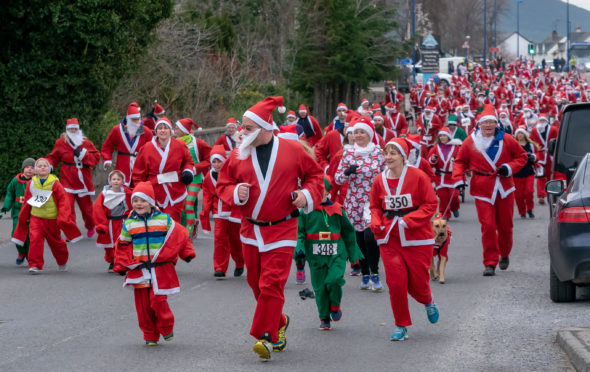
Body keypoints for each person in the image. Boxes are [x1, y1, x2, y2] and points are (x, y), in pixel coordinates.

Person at [216, 96, 324, 360]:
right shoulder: (237, 153)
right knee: (255, 283)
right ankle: (279, 321)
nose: (242, 132)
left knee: (271, 284)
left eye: (248, 128)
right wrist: (235, 192)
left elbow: (315, 176)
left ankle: (266, 337)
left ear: (265, 128)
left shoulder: (292, 150)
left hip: (283, 228)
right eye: (242, 127)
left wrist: (305, 195)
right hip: (250, 229)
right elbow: (223, 183)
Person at [369, 138, 439, 341]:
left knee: (417, 283)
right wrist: (375, 221)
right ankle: (401, 325)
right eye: (386, 153)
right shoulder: (378, 180)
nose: (388, 157)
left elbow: (430, 204)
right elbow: (375, 206)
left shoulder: (418, 176)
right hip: (389, 238)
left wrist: (408, 221)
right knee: (396, 283)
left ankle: (428, 300)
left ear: (403, 156)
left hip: (417, 238)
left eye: (393, 153)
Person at [113, 181, 196, 346]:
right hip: (140, 270)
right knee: (143, 307)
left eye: (143, 200)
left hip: (160, 270)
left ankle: (166, 326)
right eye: (135, 200)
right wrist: (120, 265)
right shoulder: (129, 224)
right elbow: (123, 245)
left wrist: (187, 253)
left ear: (151, 202)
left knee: (157, 301)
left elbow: (180, 235)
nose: (139, 204)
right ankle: (150, 335)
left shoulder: (164, 219)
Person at [452, 105, 528, 276]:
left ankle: (505, 253)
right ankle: (490, 262)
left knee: (506, 226)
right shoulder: (470, 142)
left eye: (491, 123)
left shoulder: (507, 139)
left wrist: (509, 167)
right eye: (484, 123)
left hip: (504, 188)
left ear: (496, 124)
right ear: (479, 124)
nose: (488, 126)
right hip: (482, 188)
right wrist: (458, 179)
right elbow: (459, 161)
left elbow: (522, 157)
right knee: (488, 226)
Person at [296, 177, 363, 330]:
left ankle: (335, 305)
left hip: (336, 253)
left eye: (322, 189)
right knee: (319, 288)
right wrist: (299, 250)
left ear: (328, 191)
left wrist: (353, 254)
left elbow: (348, 232)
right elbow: (299, 232)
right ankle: (324, 318)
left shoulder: (338, 209)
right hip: (316, 256)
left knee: (334, 280)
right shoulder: (305, 211)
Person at [335, 116, 385, 290]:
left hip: (373, 201)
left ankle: (375, 274)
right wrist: (347, 172)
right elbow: (338, 178)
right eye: (355, 132)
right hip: (354, 202)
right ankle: (365, 274)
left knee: (371, 238)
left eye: (362, 131)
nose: (358, 135)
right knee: (360, 241)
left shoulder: (378, 152)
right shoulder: (348, 153)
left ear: (369, 134)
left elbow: (387, 173)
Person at [12, 158, 82, 274]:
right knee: (35, 240)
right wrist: (24, 217)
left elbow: (63, 201)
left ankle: (62, 261)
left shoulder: (55, 184)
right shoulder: (31, 183)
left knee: (56, 243)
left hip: (52, 220)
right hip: (36, 218)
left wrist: (63, 217)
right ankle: (35, 265)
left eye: (45, 166)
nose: (42, 167)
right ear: (35, 170)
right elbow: (27, 202)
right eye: (39, 166)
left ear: (49, 169)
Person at [132, 117, 194, 223]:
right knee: (155, 224)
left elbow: (188, 161)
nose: (163, 130)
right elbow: (138, 173)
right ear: (156, 131)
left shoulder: (180, 145)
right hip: (154, 191)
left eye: (166, 128)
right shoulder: (146, 148)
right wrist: (141, 191)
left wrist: (187, 171)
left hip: (175, 190)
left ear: (170, 131)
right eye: (160, 128)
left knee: (172, 224)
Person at [46, 118, 100, 237]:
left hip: (83, 180)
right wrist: (47, 165)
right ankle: (72, 231)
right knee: (68, 208)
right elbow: (54, 157)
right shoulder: (60, 142)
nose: (73, 130)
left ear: (78, 129)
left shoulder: (86, 143)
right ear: (67, 130)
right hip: (67, 178)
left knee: (87, 210)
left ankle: (90, 225)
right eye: (71, 128)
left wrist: (84, 155)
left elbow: (96, 158)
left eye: (75, 128)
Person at [199, 145, 244, 278]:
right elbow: (206, 195)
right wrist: (205, 212)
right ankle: (219, 268)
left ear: (225, 160)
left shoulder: (232, 172)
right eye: (214, 161)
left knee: (236, 240)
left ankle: (240, 262)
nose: (217, 164)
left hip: (232, 211)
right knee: (219, 239)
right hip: (218, 211)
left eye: (219, 161)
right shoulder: (208, 177)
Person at [174, 118, 211, 237]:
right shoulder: (173, 142)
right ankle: (189, 225)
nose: (174, 130)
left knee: (189, 204)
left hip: (195, 178)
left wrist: (196, 168)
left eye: (177, 128)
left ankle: (188, 235)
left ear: (184, 130)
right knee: (182, 206)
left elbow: (209, 159)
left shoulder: (198, 143)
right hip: (180, 179)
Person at [101, 102, 154, 186]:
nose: (136, 122)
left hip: (140, 168)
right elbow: (107, 146)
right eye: (134, 119)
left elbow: (153, 149)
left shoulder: (146, 131)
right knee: (122, 193)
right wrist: (107, 159)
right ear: (128, 119)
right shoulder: (117, 130)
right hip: (122, 167)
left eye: (138, 119)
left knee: (139, 192)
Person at [92, 170, 132, 272]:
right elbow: (98, 209)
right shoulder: (104, 194)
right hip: (109, 223)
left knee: (121, 243)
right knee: (109, 245)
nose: (116, 181)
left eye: (118, 179)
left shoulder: (127, 193)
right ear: (110, 181)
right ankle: (112, 261)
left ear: (123, 181)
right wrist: (101, 224)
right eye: (113, 179)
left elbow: (133, 203)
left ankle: (121, 262)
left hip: (122, 222)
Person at [2, 158, 35, 265]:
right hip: (18, 213)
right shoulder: (15, 181)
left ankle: (30, 256)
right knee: (16, 234)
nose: (29, 170)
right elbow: (9, 194)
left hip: (32, 213)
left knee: (31, 236)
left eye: (32, 168)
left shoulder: (36, 182)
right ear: (23, 169)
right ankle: (21, 252)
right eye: (27, 167)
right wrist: (6, 206)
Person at [428, 127, 464, 219]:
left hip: (453, 176)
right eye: (440, 136)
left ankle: (455, 207)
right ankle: (446, 214)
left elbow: (462, 160)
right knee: (443, 197)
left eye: (444, 135)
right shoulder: (435, 148)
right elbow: (429, 163)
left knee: (454, 196)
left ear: (448, 137)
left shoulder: (456, 147)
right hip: (440, 176)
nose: (442, 137)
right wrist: (432, 160)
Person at [529, 114, 558, 205]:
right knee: (540, 176)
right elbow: (530, 140)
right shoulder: (534, 130)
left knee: (550, 176)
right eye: (540, 120)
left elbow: (557, 140)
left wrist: (551, 149)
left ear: (546, 121)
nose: (542, 122)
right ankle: (541, 195)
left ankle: (551, 195)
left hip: (550, 156)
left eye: (543, 121)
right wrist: (536, 149)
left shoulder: (553, 129)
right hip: (540, 156)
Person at [513, 126, 538, 219]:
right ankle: (522, 211)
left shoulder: (530, 145)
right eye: (518, 133)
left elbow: (536, 155)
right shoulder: (514, 145)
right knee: (518, 195)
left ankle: (530, 210)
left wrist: (533, 157)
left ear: (524, 135)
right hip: (517, 173)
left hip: (528, 171)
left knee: (529, 191)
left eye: (521, 133)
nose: (520, 135)